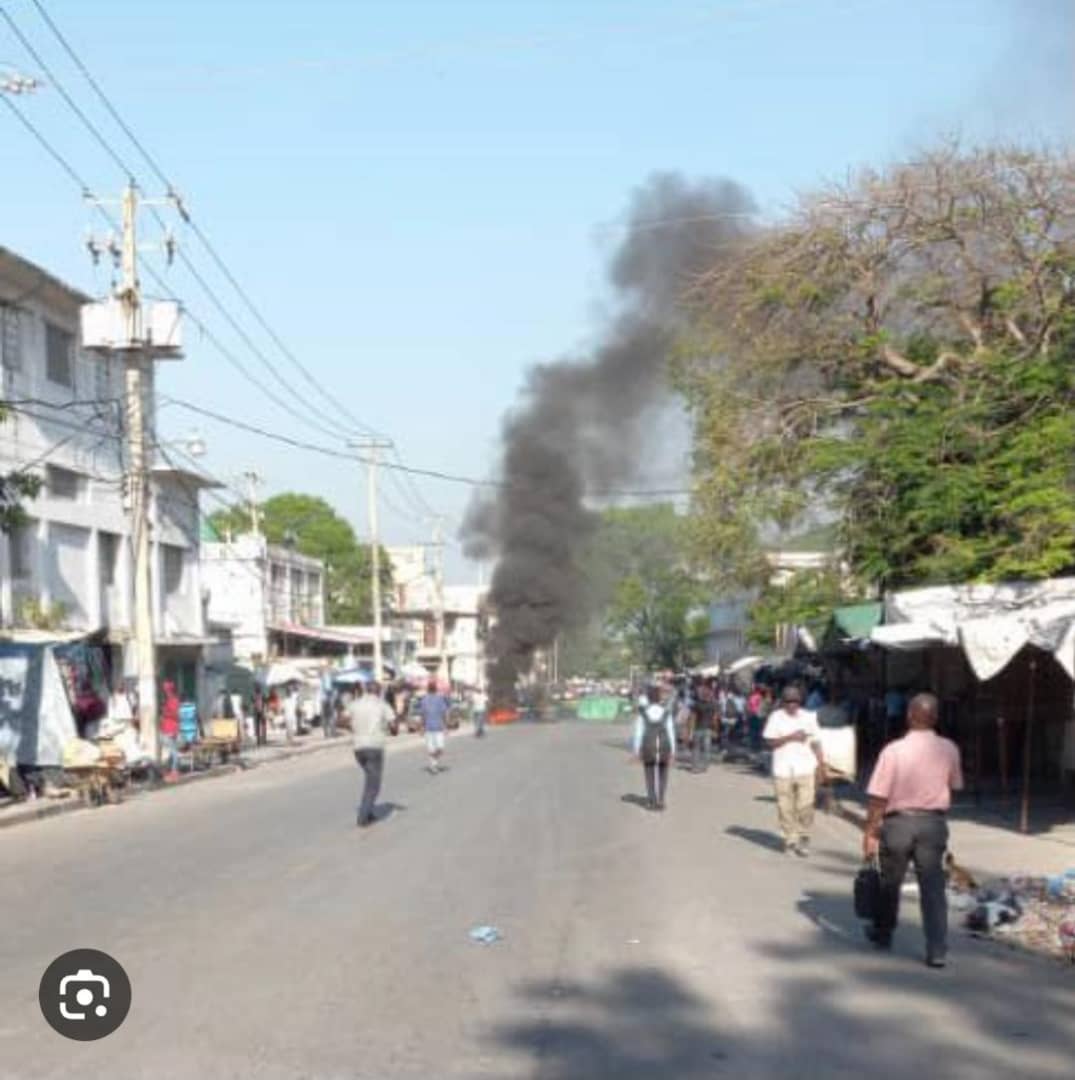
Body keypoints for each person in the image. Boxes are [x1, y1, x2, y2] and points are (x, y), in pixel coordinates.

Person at [862, 693, 963, 968]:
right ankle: (937, 949)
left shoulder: (893, 751)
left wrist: (870, 832)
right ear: (936, 718)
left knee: (889, 883)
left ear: (908, 716)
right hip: (933, 824)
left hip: (898, 824)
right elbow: (955, 784)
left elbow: (878, 797)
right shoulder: (949, 749)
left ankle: (883, 934)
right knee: (933, 888)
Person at [762, 685, 825, 856]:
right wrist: (791, 737)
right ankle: (790, 839)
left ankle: (804, 836)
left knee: (805, 805)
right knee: (785, 807)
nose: (792, 704)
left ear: (800, 701)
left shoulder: (809, 717)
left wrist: (821, 764)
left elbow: (816, 742)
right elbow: (770, 742)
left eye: (795, 701)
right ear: (783, 702)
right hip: (782, 769)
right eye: (788, 701)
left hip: (805, 768)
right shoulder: (776, 717)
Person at [348, 682, 396, 827]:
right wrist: (393, 730)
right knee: (373, 784)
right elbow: (393, 726)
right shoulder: (382, 705)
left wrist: (355, 728)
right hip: (374, 747)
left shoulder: (355, 704)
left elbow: (341, 720)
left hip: (358, 748)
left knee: (369, 779)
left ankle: (368, 812)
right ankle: (363, 817)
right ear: (379, 691)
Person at [632, 685, 677, 811]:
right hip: (664, 745)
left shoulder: (643, 712)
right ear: (659, 698)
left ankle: (651, 800)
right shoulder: (666, 712)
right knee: (663, 773)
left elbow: (639, 732)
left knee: (649, 772)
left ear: (649, 698)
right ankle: (661, 800)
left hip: (648, 744)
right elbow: (670, 732)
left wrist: (636, 750)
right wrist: (673, 751)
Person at [419, 681, 451, 774]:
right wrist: (422, 727)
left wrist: (445, 726)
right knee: (436, 748)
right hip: (432, 728)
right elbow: (424, 714)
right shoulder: (426, 700)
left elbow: (444, 713)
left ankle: (433, 760)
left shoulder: (439, 699)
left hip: (436, 727)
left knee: (437, 748)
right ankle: (433, 766)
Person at [691, 682, 718, 773]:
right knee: (706, 748)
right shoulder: (713, 705)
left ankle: (695, 766)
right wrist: (715, 730)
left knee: (696, 748)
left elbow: (693, 718)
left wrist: (690, 730)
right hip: (708, 729)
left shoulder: (697, 704)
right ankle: (704, 766)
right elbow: (715, 719)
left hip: (698, 728)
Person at [160, 680, 181, 782]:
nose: (165, 692)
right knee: (170, 751)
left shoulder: (173, 701)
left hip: (171, 728)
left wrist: (165, 713)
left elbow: (175, 715)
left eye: (166, 690)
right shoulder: (168, 700)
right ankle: (170, 771)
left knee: (173, 752)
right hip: (167, 728)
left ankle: (174, 771)